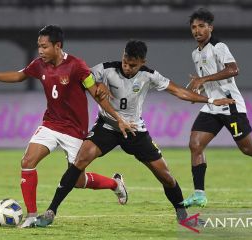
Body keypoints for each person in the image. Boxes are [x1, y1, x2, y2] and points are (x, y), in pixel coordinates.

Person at [33, 40, 235, 227]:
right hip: (108, 126)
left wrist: (210, 101)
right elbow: (84, 81)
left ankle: (183, 217)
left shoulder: (149, 75)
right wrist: (98, 84)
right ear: (122, 56)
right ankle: (51, 212)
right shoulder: (106, 69)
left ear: (142, 62)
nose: (128, 68)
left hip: (135, 130)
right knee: (80, 161)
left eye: (133, 65)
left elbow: (178, 91)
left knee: (165, 175)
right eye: (125, 62)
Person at [0, 25, 135, 228]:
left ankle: (115, 184)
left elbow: (98, 96)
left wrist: (118, 117)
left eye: (44, 47)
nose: (40, 51)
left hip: (75, 130)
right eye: (39, 46)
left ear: (58, 46)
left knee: (77, 181)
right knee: (28, 161)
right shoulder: (39, 64)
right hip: (51, 124)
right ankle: (31, 215)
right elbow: (19, 76)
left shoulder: (77, 66)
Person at [182, 8, 252, 208]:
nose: (197, 30)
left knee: (247, 148)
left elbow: (234, 69)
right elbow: (206, 81)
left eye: (201, 26)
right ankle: (199, 193)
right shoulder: (194, 54)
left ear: (210, 28)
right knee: (195, 144)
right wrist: (200, 89)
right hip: (213, 107)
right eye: (193, 27)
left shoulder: (219, 46)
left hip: (231, 106)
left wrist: (204, 79)